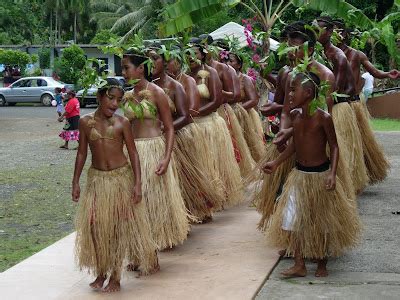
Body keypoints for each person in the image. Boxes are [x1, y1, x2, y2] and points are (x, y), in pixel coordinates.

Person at [263, 71, 361, 277]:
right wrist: (276, 162)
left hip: (319, 176)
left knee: (321, 221)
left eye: (293, 90)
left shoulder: (323, 118)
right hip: (299, 176)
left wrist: (332, 174)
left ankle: (321, 263)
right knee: (294, 220)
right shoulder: (296, 116)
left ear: (308, 92)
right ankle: (299, 264)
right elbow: (294, 147)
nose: (289, 94)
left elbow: (334, 147)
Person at [72, 78, 158, 292]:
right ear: (100, 96)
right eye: (110, 98)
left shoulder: (122, 123)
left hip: (121, 180)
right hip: (97, 181)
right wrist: (75, 182)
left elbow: (134, 154)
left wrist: (137, 183)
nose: (114, 104)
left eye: (118, 100)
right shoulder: (84, 122)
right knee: (96, 227)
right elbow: (82, 153)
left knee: (118, 228)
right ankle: (101, 273)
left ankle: (116, 277)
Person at [121, 50, 191, 251]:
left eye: (127, 68)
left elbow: (169, 128)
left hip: (153, 150)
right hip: (133, 152)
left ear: (141, 68)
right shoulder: (127, 96)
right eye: (123, 69)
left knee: (152, 200)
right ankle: (140, 245)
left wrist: (166, 157)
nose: (124, 73)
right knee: (136, 200)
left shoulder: (157, 92)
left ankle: (154, 245)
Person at [150, 46, 223, 222]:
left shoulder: (184, 82)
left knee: (187, 177)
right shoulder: (148, 85)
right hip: (158, 139)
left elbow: (189, 114)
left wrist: (165, 130)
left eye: (154, 59)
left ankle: (198, 208)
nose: (150, 63)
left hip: (181, 135)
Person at [316, 16, 369, 193]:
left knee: (341, 148)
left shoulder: (337, 56)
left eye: (320, 29)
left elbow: (333, 89)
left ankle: (346, 186)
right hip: (326, 107)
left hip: (339, 108)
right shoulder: (317, 54)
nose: (316, 32)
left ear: (330, 32)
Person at [188, 41, 244, 207]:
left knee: (213, 162)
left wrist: (198, 113)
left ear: (204, 54)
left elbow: (219, 99)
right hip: (192, 125)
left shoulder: (212, 72)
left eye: (195, 53)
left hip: (209, 124)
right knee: (200, 165)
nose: (191, 57)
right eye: (188, 54)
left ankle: (217, 194)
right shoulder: (184, 75)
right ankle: (204, 197)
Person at [335, 23, 391, 183]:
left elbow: (374, 72)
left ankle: (358, 174)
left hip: (353, 103)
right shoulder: (327, 54)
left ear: (345, 34)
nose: (337, 34)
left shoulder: (356, 54)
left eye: (339, 31)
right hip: (336, 103)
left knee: (357, 141)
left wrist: (388, 74)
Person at [228, 52, 267, 163]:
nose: (227, 64)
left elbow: (253, 100)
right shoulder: (224, 78)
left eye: (231, 61)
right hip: (229, 115)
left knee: (247, 144)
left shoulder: (245, 79)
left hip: (244, 116)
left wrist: (237, 110)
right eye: (226, 61)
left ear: (239, 65)